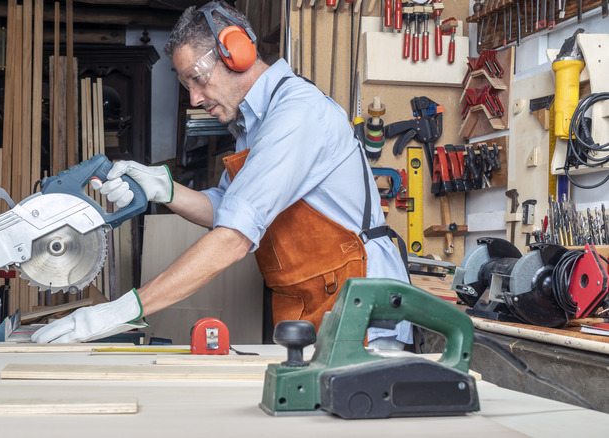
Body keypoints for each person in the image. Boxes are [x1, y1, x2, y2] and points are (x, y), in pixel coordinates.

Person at [32, 1, 412, 349]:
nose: (194, 98)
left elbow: (233, 237)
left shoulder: (296, 114)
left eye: (197, 78)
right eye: (186, 85)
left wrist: (120, 310)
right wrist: (163, 189)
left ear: (238, 51)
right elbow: (227, 209)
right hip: (314, 299)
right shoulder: (252, 125)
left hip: (361, 302)